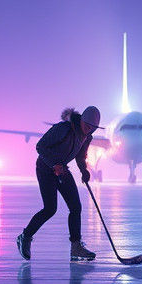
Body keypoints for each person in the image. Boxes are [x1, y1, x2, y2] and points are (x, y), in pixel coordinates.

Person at [17, 106, 101, 262]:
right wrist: (53, 164)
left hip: (62, 169)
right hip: (45, 168)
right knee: (50, 209)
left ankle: (76, 247)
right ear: (81, 120)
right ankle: (25, 236)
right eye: (87, 126)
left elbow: (81, 157)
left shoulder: (87, 136)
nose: (89, 130)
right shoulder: (63, 129)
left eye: (93, 128)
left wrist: (84, 171)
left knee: (76, 207)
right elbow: (40, 146)